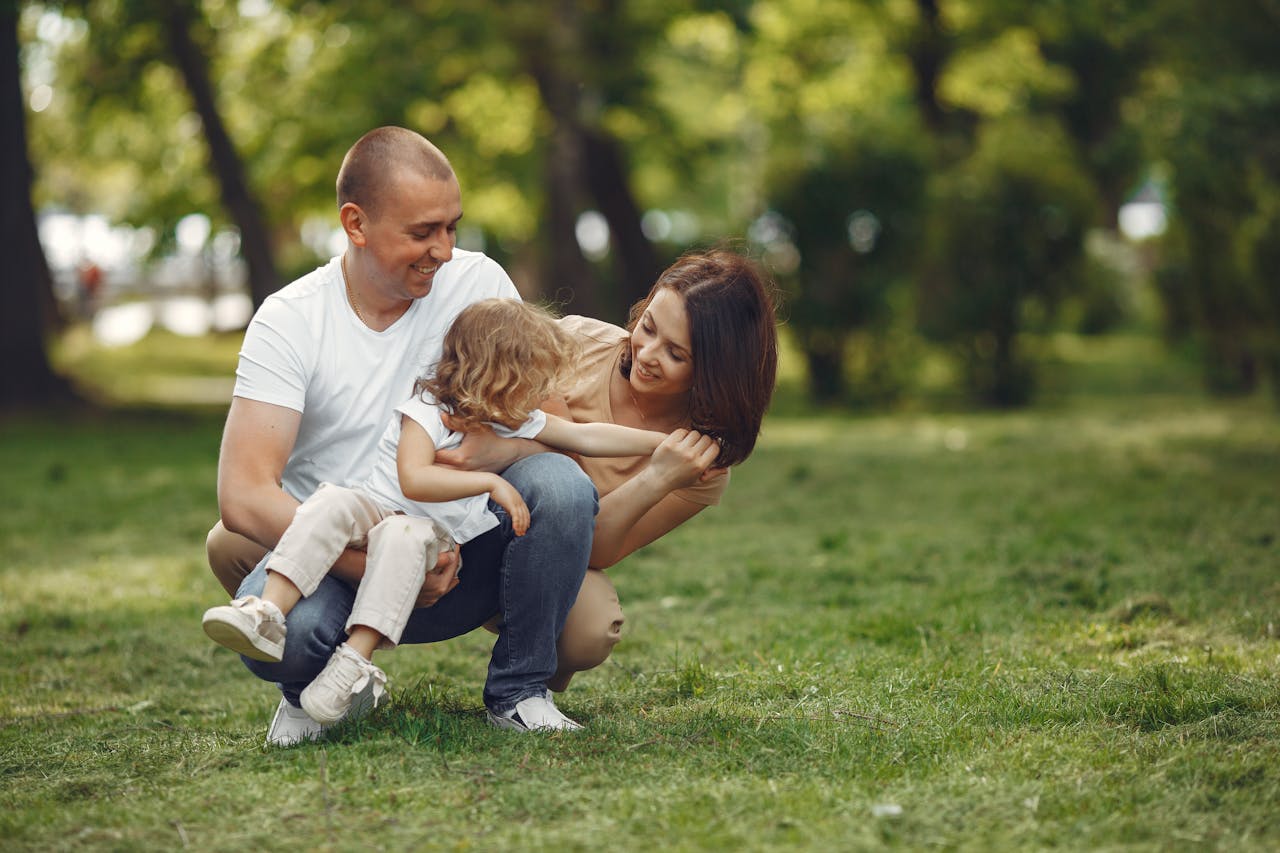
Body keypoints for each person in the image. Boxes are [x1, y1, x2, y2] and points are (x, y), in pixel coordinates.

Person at [205, 126, 602, 744]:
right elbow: (245, 495)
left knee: (562, 484)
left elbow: (553, 426)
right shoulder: (290, 320)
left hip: (461, 554)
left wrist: (495, 455)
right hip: (340, 559)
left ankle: (520, 693)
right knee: (282, 644)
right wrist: (375, 564)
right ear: (355, 224)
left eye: (451, 227)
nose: (443, 250)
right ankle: (312, 691)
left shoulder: (480, 284)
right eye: (421, 232)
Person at [202, 299, 667, 726]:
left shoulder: (517, 417)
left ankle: (352, 666)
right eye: (535, 380)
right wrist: (487, 479)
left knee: (404, 541)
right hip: (376, 511)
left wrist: (662, 446)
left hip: (426, 535)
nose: (542, 394)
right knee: (329, 504)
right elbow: (414, 478)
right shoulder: (428, 409)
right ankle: (264, 611)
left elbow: (589, 437)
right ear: (498, 376)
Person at [435, 248, 779, 691]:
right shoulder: (576, 343)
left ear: (715, 373)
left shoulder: (700, 465)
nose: (647, 353)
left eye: (676, 353)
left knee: (589, 629)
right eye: (648, 327)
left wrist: (659, 478)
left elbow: (592, 551)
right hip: (463, 510)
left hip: (542, 549)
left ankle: (528, 676)